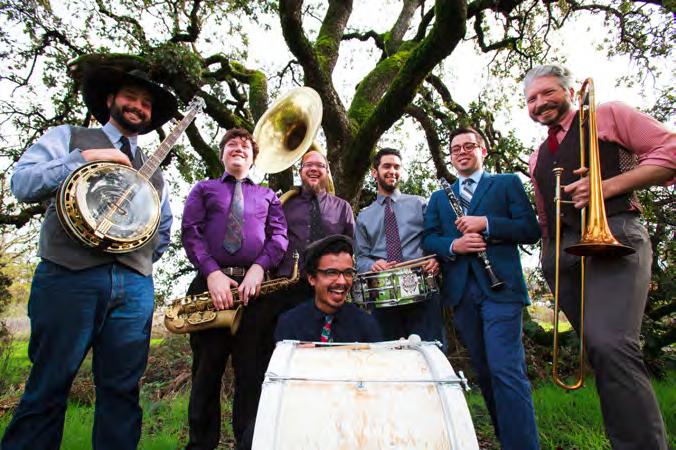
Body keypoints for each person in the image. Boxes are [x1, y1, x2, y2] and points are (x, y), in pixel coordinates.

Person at [2, 67, 177, 450]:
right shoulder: (69, 137)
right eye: (131, 97)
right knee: (49, 384)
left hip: (133, 288)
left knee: (123, 393)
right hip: (69, 278)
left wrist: (136, 261)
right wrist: (82, 159)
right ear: (110, 99)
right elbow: (22, 183)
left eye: (146, 103)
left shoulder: (157, 173)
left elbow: (162, 229)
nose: (138, 106)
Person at [524, 64, 674, 449]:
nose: (540, 103)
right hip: (565, 254)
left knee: (612, 344)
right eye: (531, 99)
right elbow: (545, 214)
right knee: (600, 352)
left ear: (570, 91)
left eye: (548, 92)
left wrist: (605, 186)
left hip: (617, 233)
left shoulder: (609, 115)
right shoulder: (537, 156)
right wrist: (547, 257)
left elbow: (671, 152)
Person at [422, 127, 541, 450]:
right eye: (455, 148)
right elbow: (429, 238)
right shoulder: (439, 198)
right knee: (486, 373)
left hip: (501, 290)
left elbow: (530, 229)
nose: (461, 152)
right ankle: (507, 440)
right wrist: (454, 245)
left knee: (506, 369)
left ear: (483, 151)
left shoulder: (506, 183)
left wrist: (486, 224)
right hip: (462, 293)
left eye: (469, 146)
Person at [181, 127, 287, 450]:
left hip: (256, 292)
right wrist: (211, 273)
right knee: (206, 374)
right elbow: (191, 231)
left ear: (254, 158)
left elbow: (279, 237)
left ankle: (249, 443)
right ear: (222, 154)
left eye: (245, 146)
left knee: (252, 375)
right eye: (231, 144)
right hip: (210, 288)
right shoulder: (203, 189)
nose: (238, 148)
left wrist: (259, 268)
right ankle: (200, 445)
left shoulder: (268, 195)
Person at [354, 148, 442, 342]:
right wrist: (372, 265)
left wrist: (436, 260)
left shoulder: (420, 204)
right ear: (374, 172)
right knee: (390, 355)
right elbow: (360, 258)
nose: (392, 171)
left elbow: (435, 239)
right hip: (384, 298)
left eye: (396, 167)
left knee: (429, 350)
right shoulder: (363, 217)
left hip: (422, 292)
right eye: (387, 166)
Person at [275, 234, 382, 343]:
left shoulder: (365, 324)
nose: (342, 281)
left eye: (348, 273)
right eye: (331, 273)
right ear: (312, 278)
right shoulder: (290, 324)